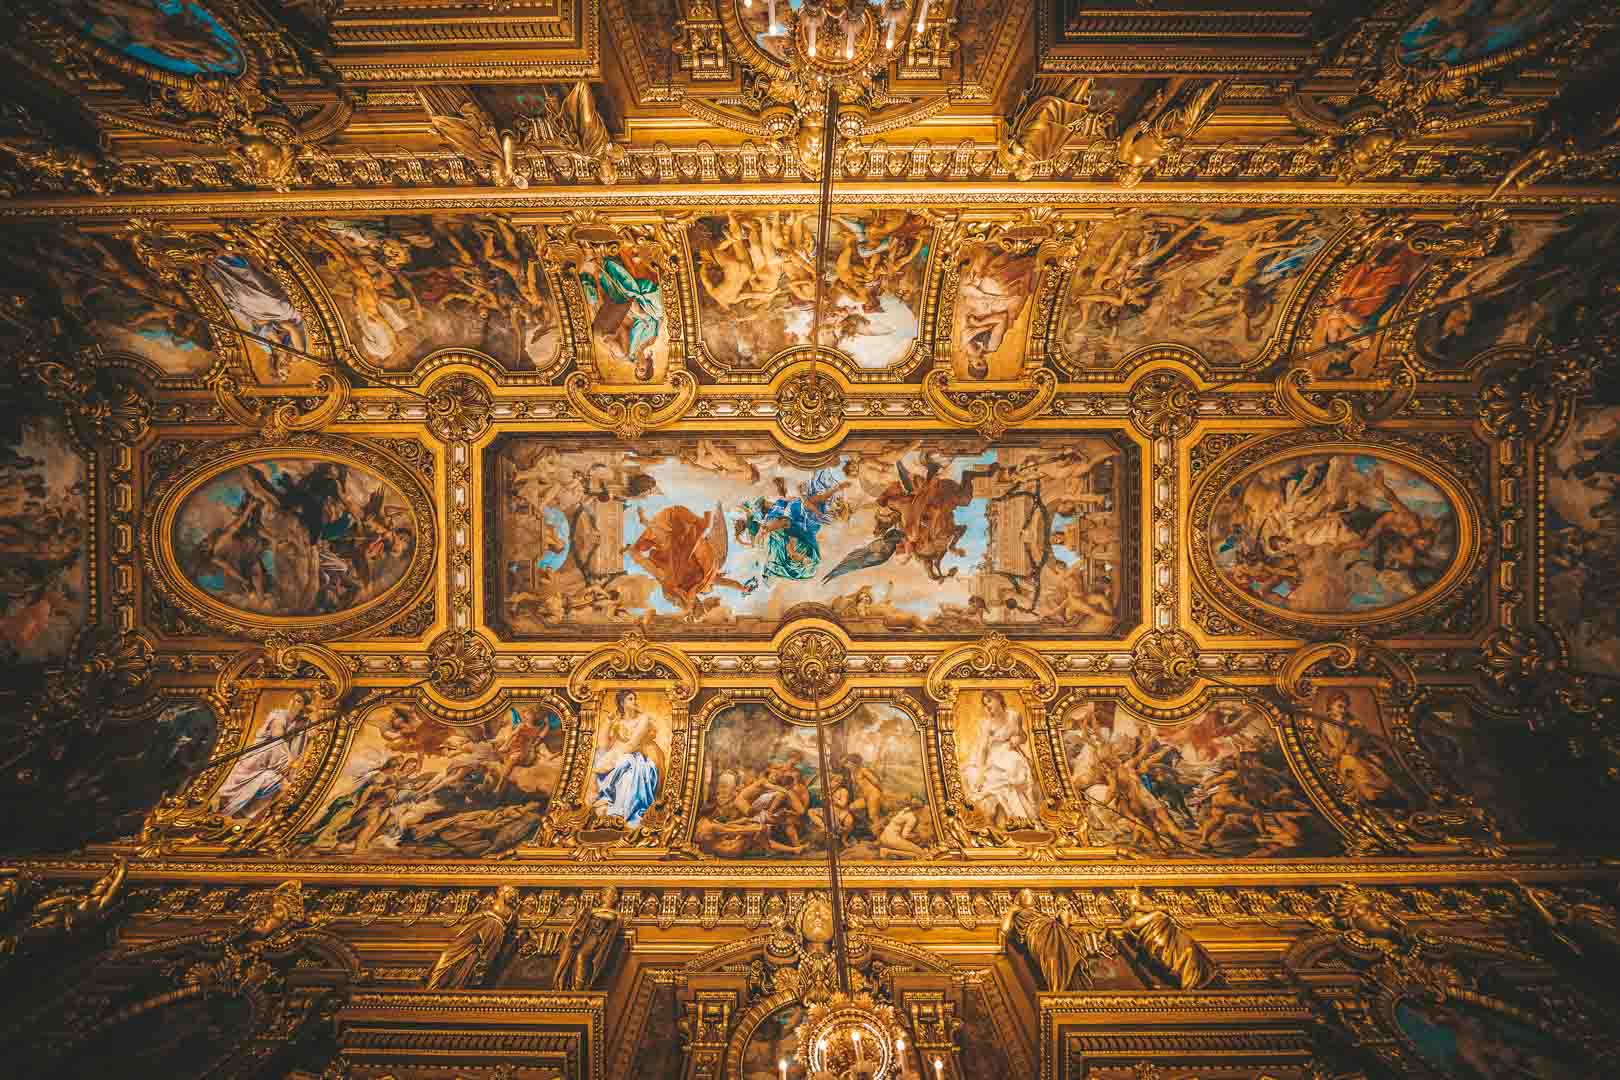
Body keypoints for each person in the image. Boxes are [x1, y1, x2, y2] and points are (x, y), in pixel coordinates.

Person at [214, 692, 312, 819]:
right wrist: (289, 761)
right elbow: (277, 737)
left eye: (298, 701)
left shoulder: (300, 723)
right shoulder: (278, 715)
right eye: (292, 699)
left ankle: (242, 812)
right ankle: (227, 805)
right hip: (260, 754)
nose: (293, 703)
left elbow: (297, 746)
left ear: (303, 707)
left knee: (275, 782)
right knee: (238, 782)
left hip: (274, 758)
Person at [964, 690, 1042, 826]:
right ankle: (1011, 817)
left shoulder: (1014, 716)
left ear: (998, 699)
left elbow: (1023, 736)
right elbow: (983, 748)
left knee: (1014, 765)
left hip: (1010, 751)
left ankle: (1018, 818)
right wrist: (982, 772)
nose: (987, 706)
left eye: (989, 701)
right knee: (993, 778)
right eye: (984, 704)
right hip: (993, 755)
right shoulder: (987, 724)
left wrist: (1018, 739)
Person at [591, 691, 663, 828]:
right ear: (622, 703)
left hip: (635, 757)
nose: (635, 701)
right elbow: (604, 745)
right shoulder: (618, 721)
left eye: (635, 698)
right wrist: (608, 723)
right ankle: (606, 802)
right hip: (617, 755)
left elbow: (633, 743)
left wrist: (611, 760)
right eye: (630, 699)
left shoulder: (643, 719)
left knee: (627, 772)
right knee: (600, 757)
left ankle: (621, 812)